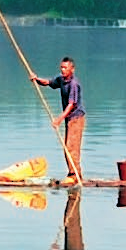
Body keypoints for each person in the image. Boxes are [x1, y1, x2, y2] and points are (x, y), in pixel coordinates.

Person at [34, 56, 86, 185]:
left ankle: (75, 175)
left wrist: (59, 119)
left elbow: (71, 104)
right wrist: (36, 79)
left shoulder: (73, 84)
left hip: (76, 118)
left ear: (72, 69)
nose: (63, 70)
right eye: (62, 67)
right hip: (69, 118)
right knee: (67, 147)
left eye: (65, 68)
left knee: (71, 147)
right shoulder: (62, 80)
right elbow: (49, 83)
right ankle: (73, 173)